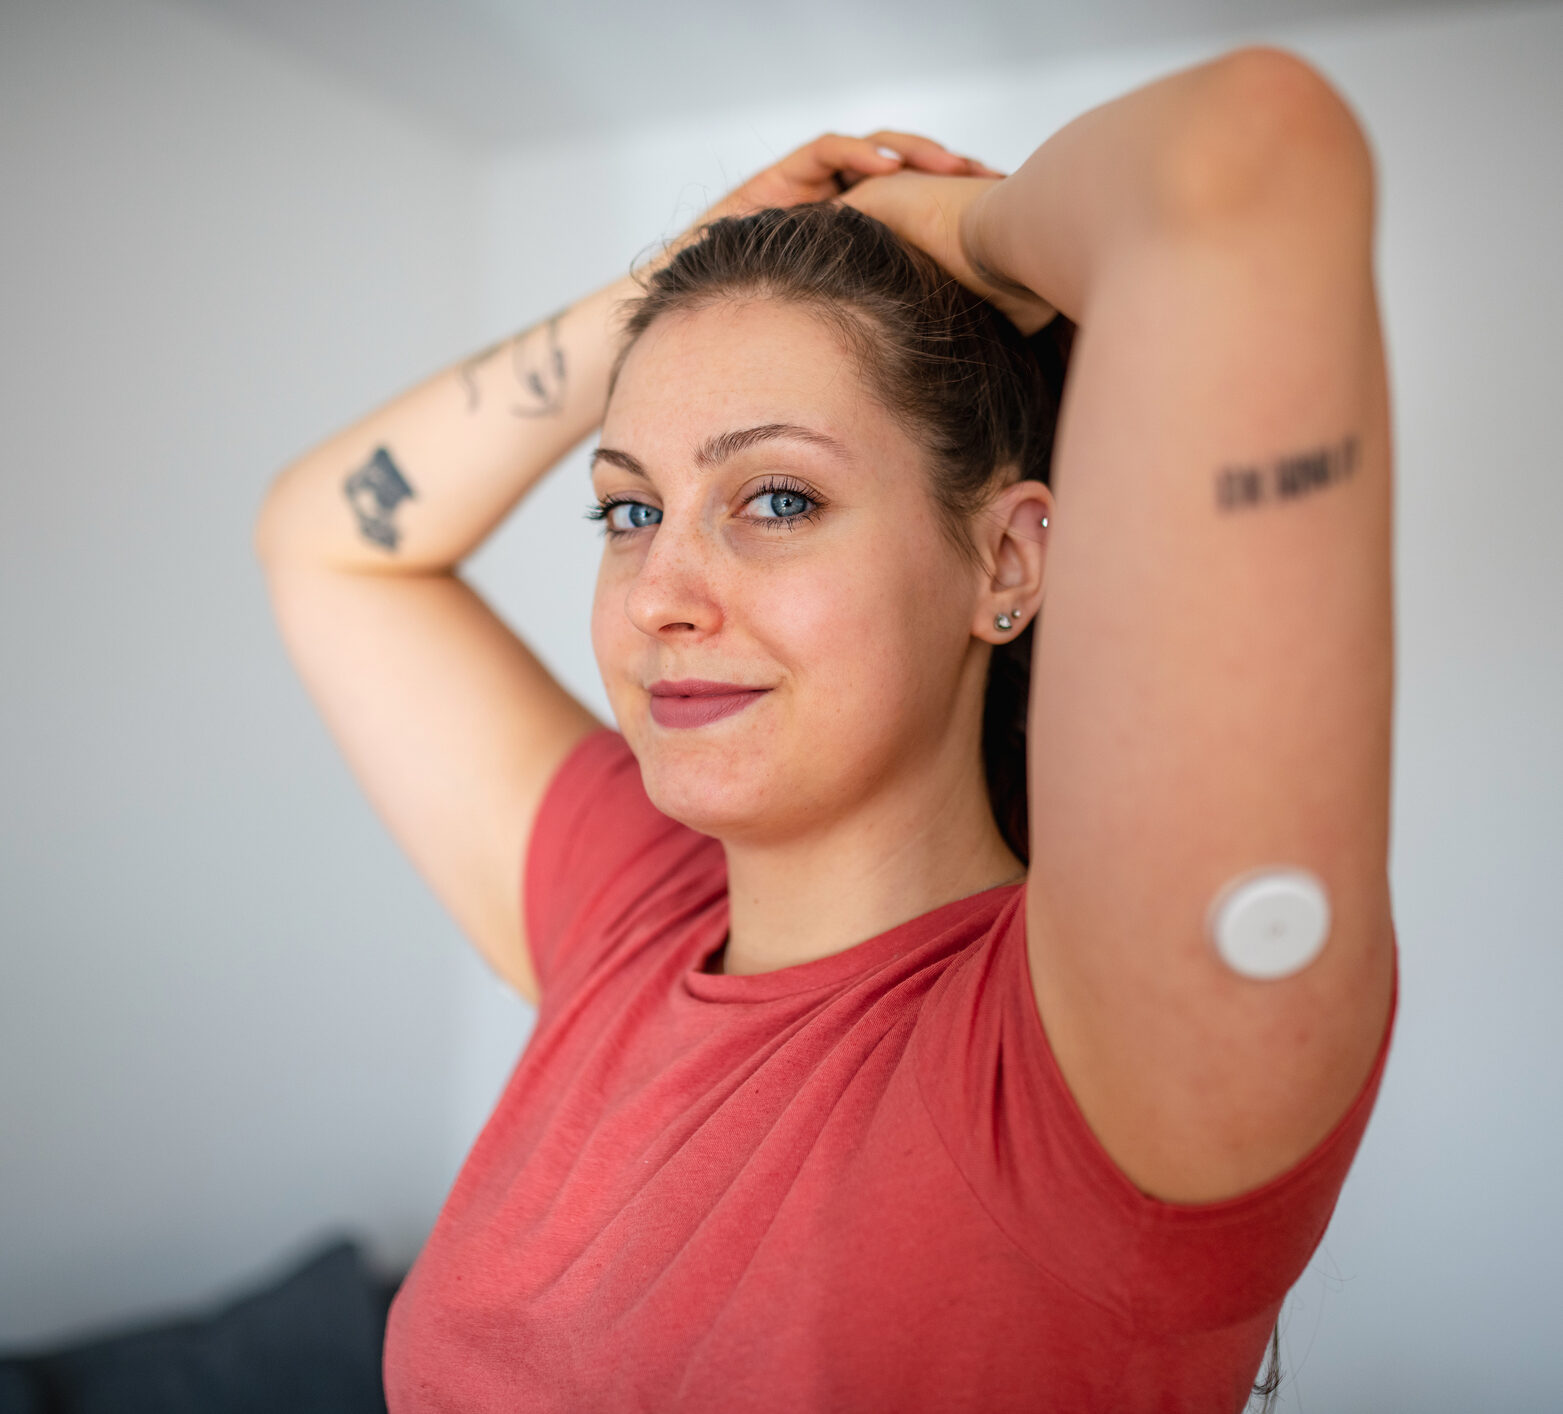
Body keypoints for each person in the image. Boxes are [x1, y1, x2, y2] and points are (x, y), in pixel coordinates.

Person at [254, 43, 1398, 1414]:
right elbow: (326, 538)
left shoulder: (1087, 1072)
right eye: (630, 510)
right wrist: (680, 276)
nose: (661, 595)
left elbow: (1249, 158)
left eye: (777, 499)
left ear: (1007, 565)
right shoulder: (629, 915)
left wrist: (950, 224)